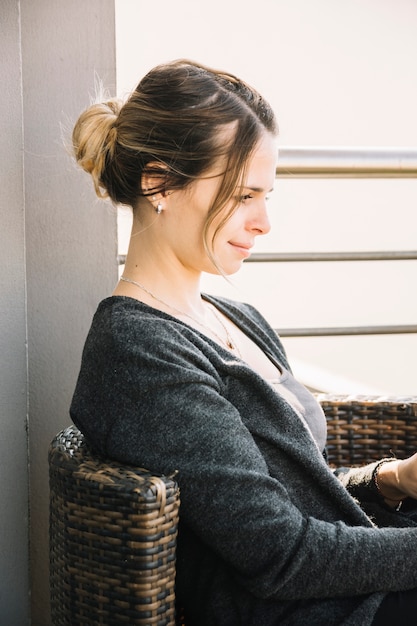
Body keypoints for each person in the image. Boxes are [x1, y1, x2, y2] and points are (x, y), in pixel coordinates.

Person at [70, 59, 417, 625]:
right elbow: (283, 556)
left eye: (267, 195)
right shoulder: (139, 350)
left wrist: (391, 479)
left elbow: (292, 496)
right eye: (243, 195)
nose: (264, 223)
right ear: (158, 183)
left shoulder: (235, 315)